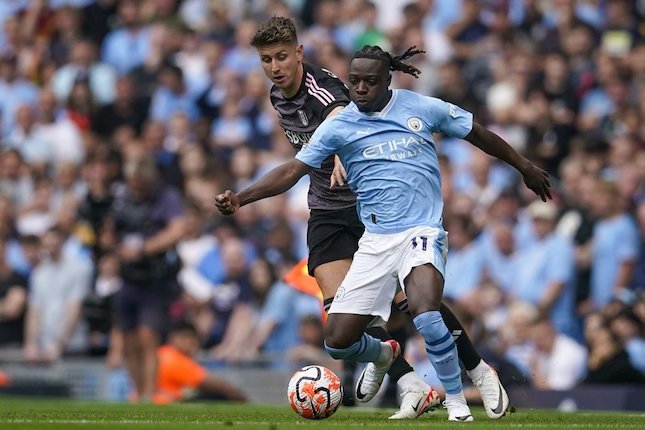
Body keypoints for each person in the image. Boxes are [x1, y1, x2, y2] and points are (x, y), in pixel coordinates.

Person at [216, 43, 551, 421]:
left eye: (369, 82)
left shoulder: (419, 107)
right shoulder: (339, 126)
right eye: (355, 81)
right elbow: (292, 171)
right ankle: (387, 355)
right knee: (338, 340)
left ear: (387, 80)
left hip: (420, 230)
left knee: (423, 310)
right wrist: (242, 197)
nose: (359, 89)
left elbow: (477, 133)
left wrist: (524, 166)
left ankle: (460, 398)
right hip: (374, 240)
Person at [153, 321, 247, 404]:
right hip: (164, 402)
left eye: (194, 338)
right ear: (174, 338)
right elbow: (213, 384)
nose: (193, 342)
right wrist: (239, 397)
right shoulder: (176, 358)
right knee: (216, 395)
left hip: (157, 400)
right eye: (187, 336)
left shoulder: (160, 352)